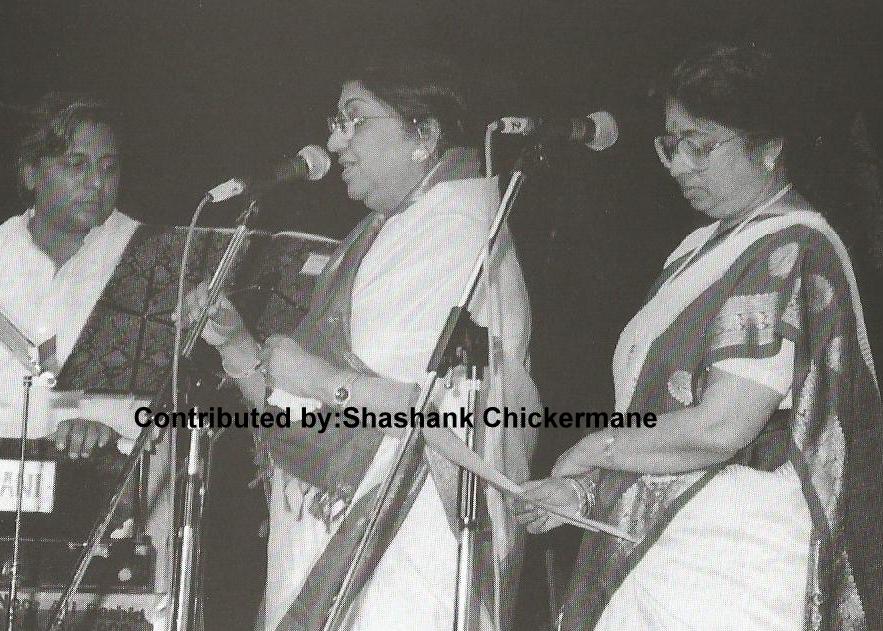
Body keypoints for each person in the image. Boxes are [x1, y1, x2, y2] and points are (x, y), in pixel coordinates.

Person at [517, 45, 883, 630]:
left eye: (703, 146)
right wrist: (583, 495)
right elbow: (661, 427)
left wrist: (592, 450)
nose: (681, 165)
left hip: (736, 562)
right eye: (671, 145)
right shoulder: (698, 250)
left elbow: (718, 428)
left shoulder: (793, 247)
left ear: (768, 148)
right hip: (666, 548)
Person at [183, 54, 540, 631]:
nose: (334, 139)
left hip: (406, 537)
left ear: (422, 136)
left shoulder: (455, 225)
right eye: (334, 121)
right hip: (340, 524)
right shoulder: (389, 227)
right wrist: (238, 348)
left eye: (355, 120)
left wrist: (314, 377)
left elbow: (427, 412)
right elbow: (314, 411)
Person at [0, 92, 145, 456]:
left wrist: (103, 424)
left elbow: (165, 390)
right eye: (77, 165)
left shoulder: (147, 258)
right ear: (31, 172)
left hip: (107, 486)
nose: (97, 183)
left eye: (108, 167)